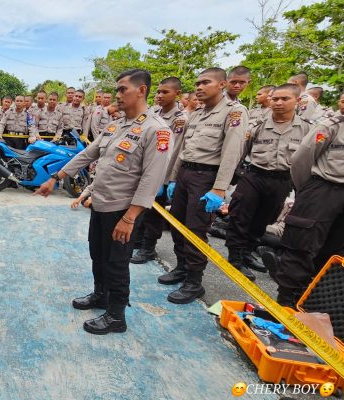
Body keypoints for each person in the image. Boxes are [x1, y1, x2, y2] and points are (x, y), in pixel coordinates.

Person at [35, 69, 169, 335]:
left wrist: (130, 218)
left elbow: (151, 181)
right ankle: (101, 295)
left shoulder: (156, 130)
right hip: (100, 205)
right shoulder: (116, 125)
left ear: (141, 91)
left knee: (117, 262)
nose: (117, 95)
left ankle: (116, 315)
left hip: (123, 211)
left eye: (122, 90)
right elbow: (87, 154)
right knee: (98, 254)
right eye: (117, 90)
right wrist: (55, 177)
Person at [161, 67, 247, 304]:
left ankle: (194, 282)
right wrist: (172, 178)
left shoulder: (234, 112)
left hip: (206, 178)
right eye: (197, 83)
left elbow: (232, 152)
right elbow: (182, 150)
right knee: (177, 225)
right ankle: (181, 268)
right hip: (186, 174)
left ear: (222, 84)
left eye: (205, 82)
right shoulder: (197, 114)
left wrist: (219, 188)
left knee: (196, 230)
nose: (199, 87)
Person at [271, 109, 344, 306]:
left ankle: (308, 299)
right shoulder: (334, 126)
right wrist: (308, 192)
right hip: (324, 188)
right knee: (301, 246)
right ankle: (286, 300)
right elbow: (301, 160)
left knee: (334, 250)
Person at [224, 84, 313, 281]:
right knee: (240, 215)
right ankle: (235, 257)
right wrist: (230, 179)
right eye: (275, 99)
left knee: (265, 218)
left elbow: (309, 158)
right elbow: (241, 151)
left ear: (297, 101)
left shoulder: (307, 128)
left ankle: (248, 251)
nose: (279, 103)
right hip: (254, 175)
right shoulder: (257, 126)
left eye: (285, 99)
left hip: (282, 180)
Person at [131, 77, 188, 264]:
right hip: (145, 169)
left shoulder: (179, 119)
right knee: (141, 209)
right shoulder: (153, 113)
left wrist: (166, 179)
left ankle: (149, 248)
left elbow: (174, 151)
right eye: (158, 91)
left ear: (177, 94)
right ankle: (138, 241)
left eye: (165, 92)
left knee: (154, 213)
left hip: (161, 173)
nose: (159, 96)